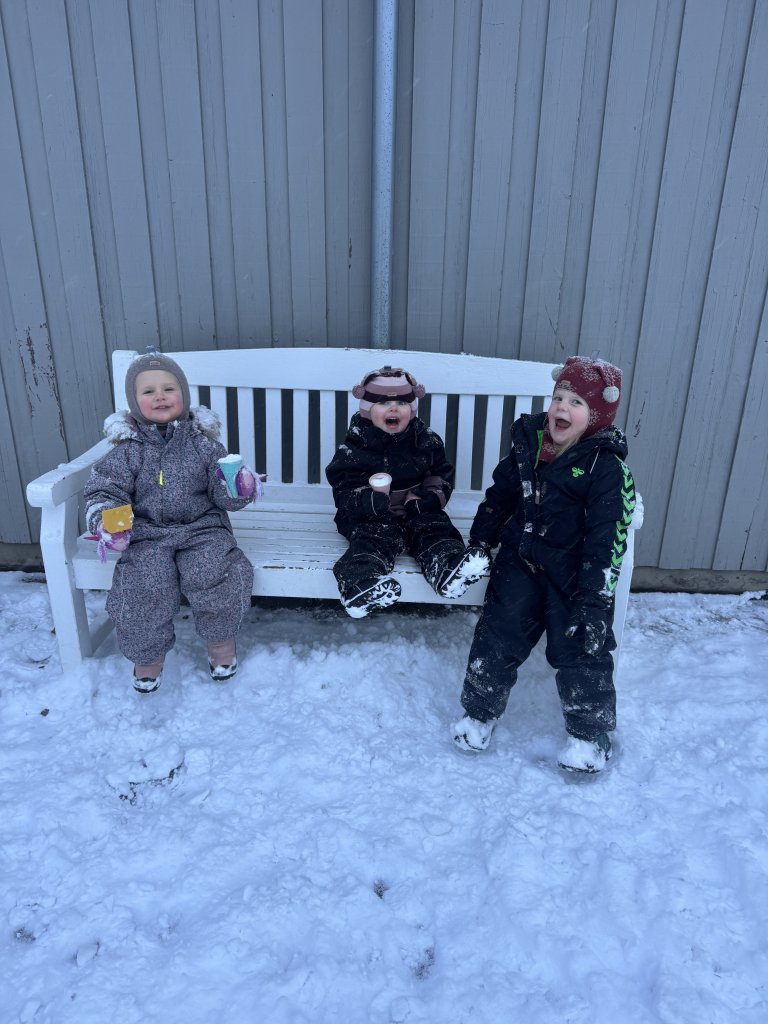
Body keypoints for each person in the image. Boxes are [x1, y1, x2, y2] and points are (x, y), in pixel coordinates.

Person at [451, 356, 636, 773]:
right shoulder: (529, 445)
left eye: (576, 402)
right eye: (558, 398)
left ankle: (589, 733)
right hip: (521, 559)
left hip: (575, 573)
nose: (561, 408)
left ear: (597, 414)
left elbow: (608, 537)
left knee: (581, 644)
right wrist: (481, 539)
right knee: (498, 632)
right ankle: (479, 712)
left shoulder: (605, 466)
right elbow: (500, 495)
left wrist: (594, 597)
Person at [84, 350, 262, 693]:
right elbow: (105, 489)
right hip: (147, 532)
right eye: (148, 391)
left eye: (169, 388)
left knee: (215, 571)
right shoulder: (127, 450)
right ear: (134, 402)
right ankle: (148, 657)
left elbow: (223, 494)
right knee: (143, 583)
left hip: (202, 528)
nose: (160, 396)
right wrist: (110, 523)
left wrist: (238, 486)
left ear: (184, 395)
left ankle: (221, 642)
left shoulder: (204, 445)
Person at [325, 366, 490, 617]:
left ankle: (446, 569)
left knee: (434, 529)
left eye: (401, 402)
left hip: (415, 508)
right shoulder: (356, 446)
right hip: (371, 514)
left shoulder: (426, 441)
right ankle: (361, 584)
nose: (394, 409)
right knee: (372, 540)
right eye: (383, 403)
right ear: (368, 410)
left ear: (411, 408)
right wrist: (369, 501)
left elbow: (440, 475)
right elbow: (344, 486)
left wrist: (429, 499)